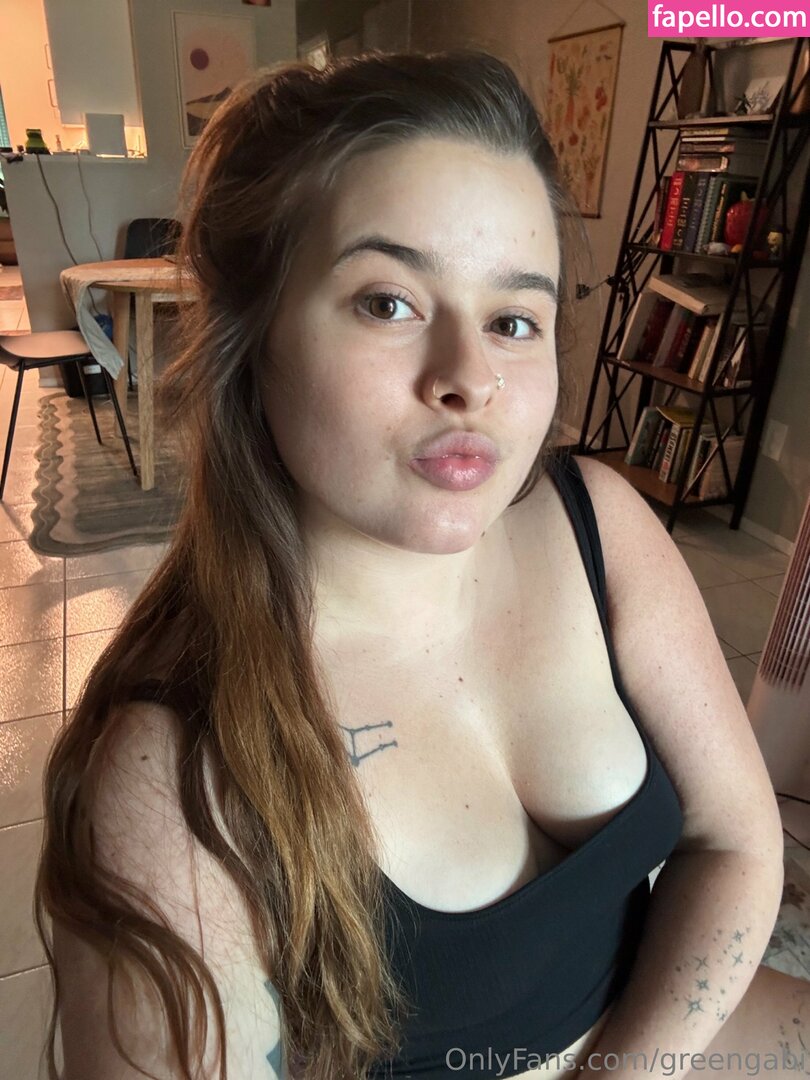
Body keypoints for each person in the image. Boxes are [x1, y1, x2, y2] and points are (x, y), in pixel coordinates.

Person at [35, 48, 805, 1080]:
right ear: (251, 337)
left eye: (513, 320)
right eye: (388, 303)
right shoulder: (170, 782)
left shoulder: (599, 521)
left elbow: (737, 844)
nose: (470, 378)